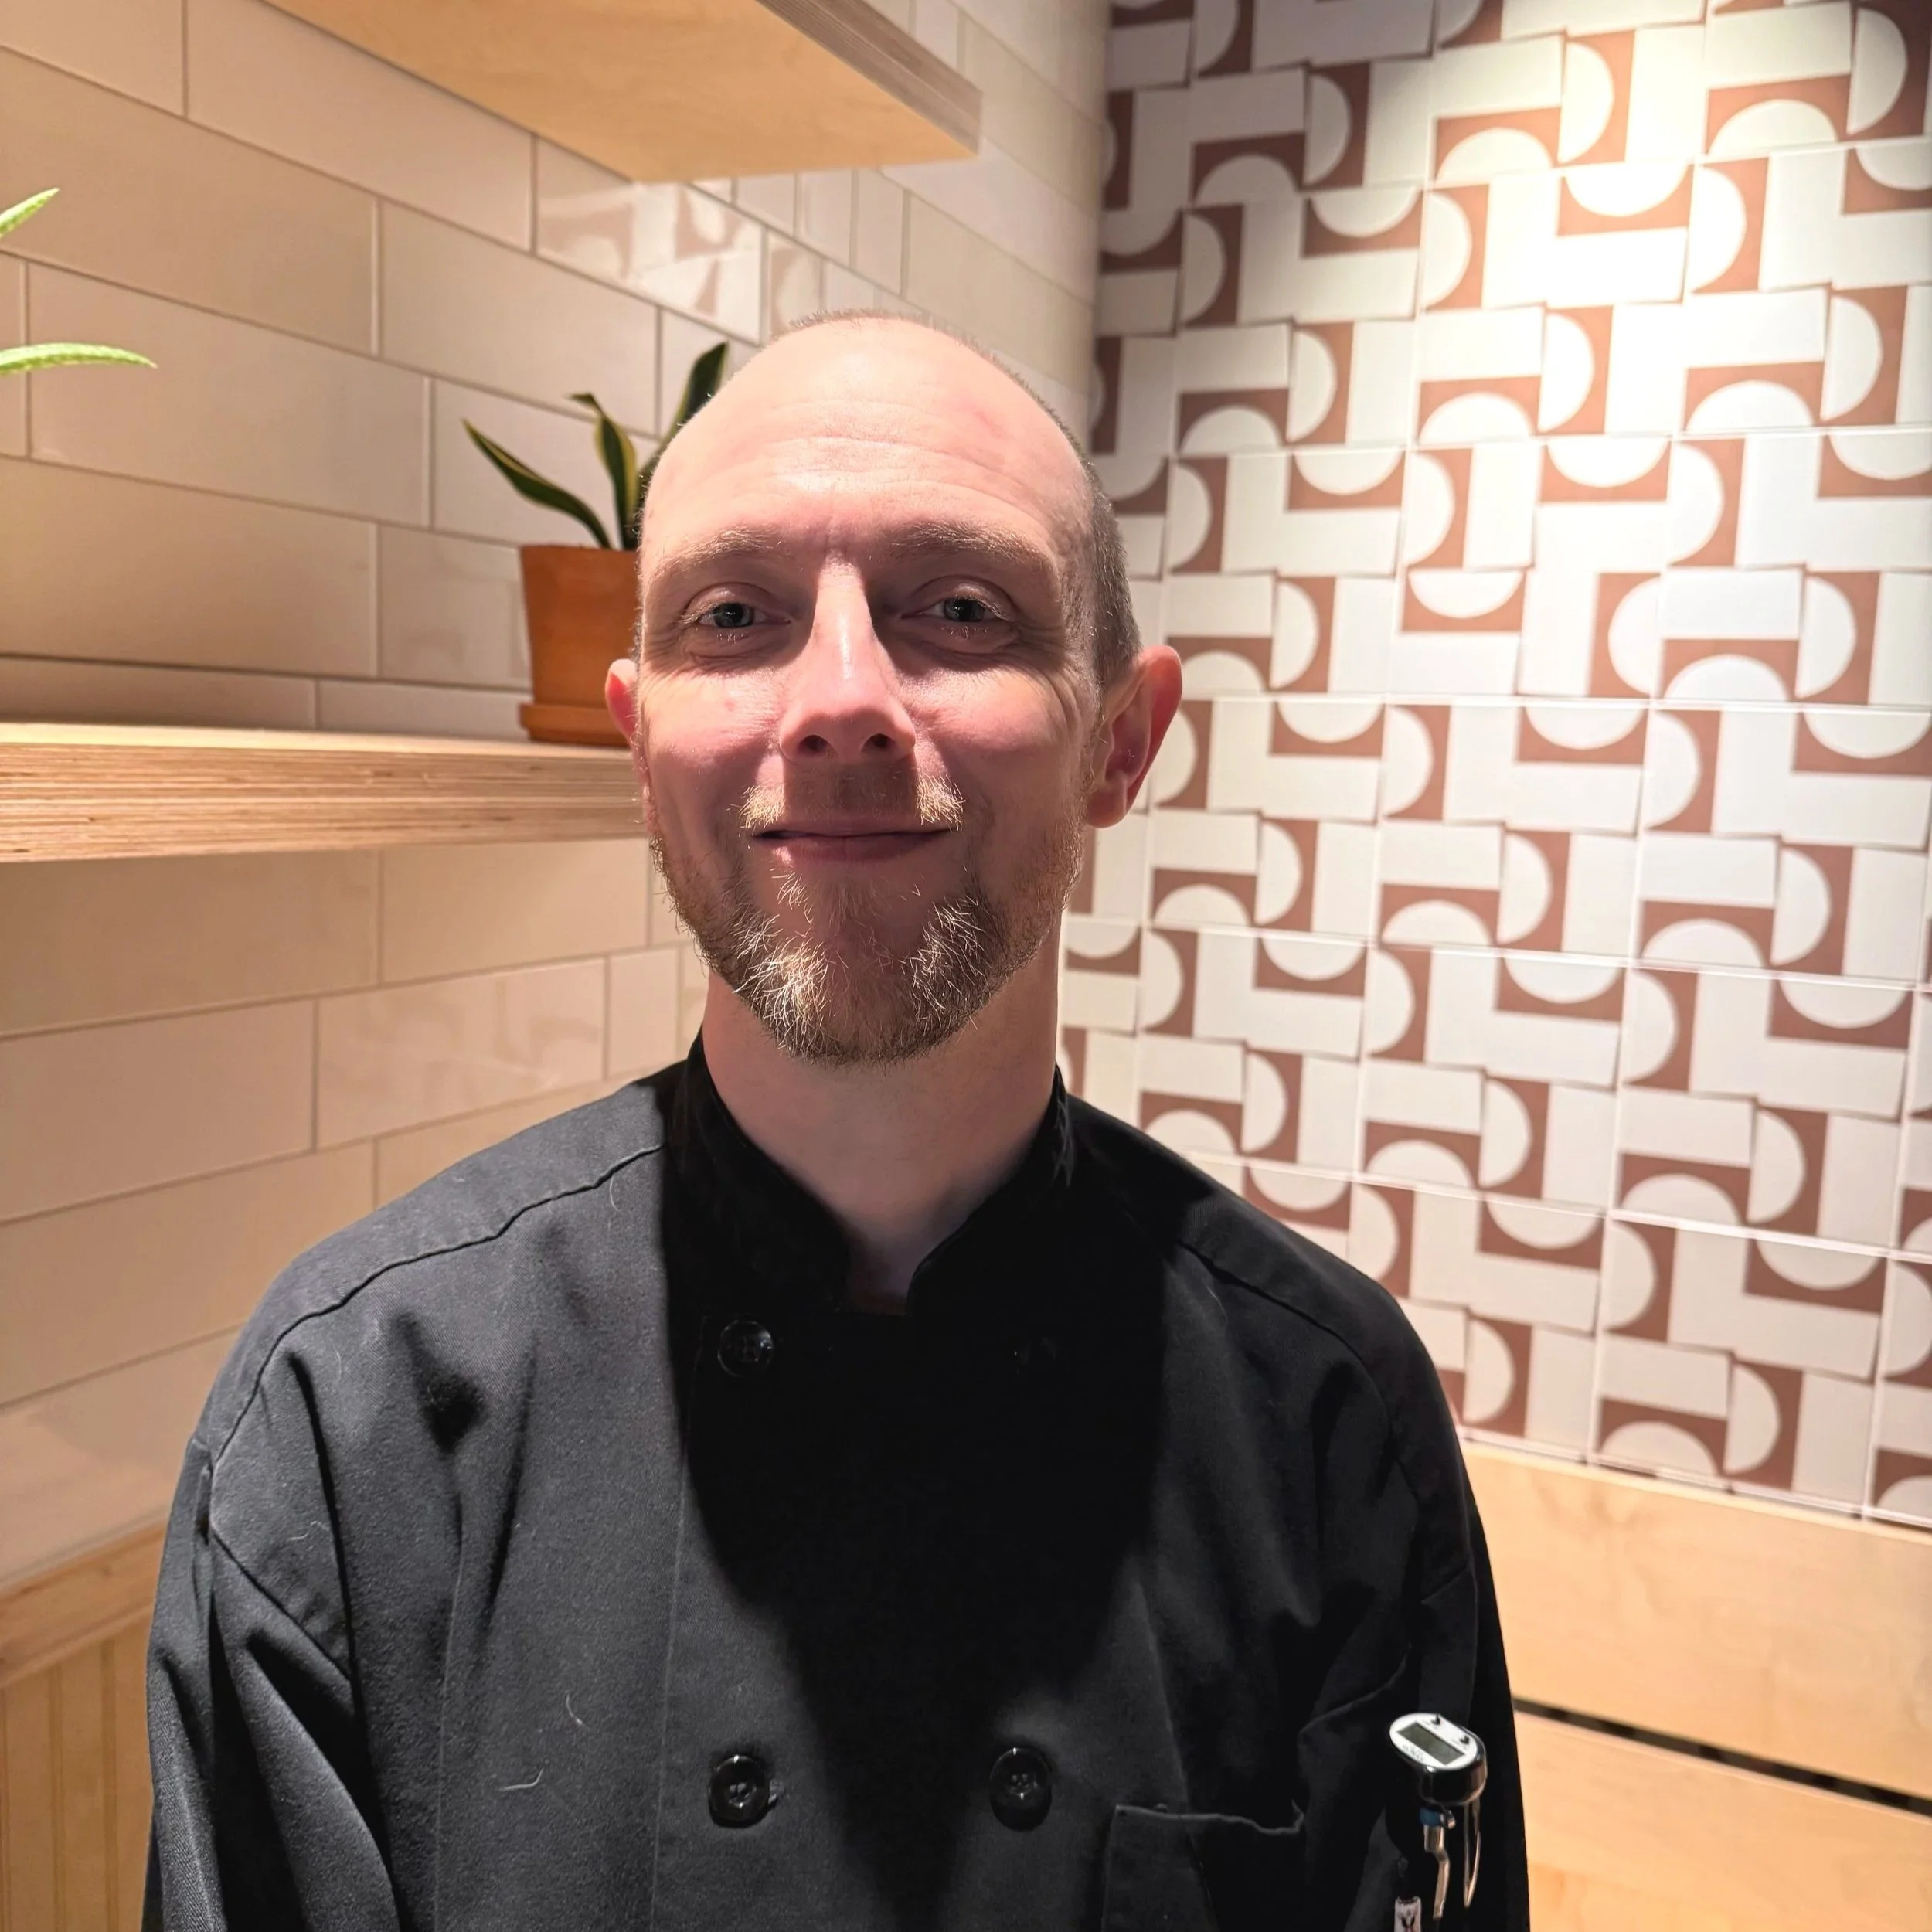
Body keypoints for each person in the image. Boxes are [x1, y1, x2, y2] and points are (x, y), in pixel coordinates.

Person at [144, 314, 1528, 1931]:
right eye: (734, 616)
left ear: (1123, 738)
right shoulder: (349, 1428)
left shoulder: (1324, 1425)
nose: (844, 699)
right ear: (637, 740)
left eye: (960, 606)